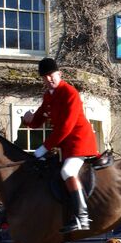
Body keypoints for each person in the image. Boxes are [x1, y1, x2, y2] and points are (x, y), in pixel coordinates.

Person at [23, 57, 99, 233]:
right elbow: (38, 120)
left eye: (51, 75)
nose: (49, 79)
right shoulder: (49, 96)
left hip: (80, 141)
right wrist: (28, 120)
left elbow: (66, 127)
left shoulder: (70, 93)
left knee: (67, 171)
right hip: (66, 146)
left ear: (59, 74)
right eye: (45, 76)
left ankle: (82, 218)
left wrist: (44, 148)